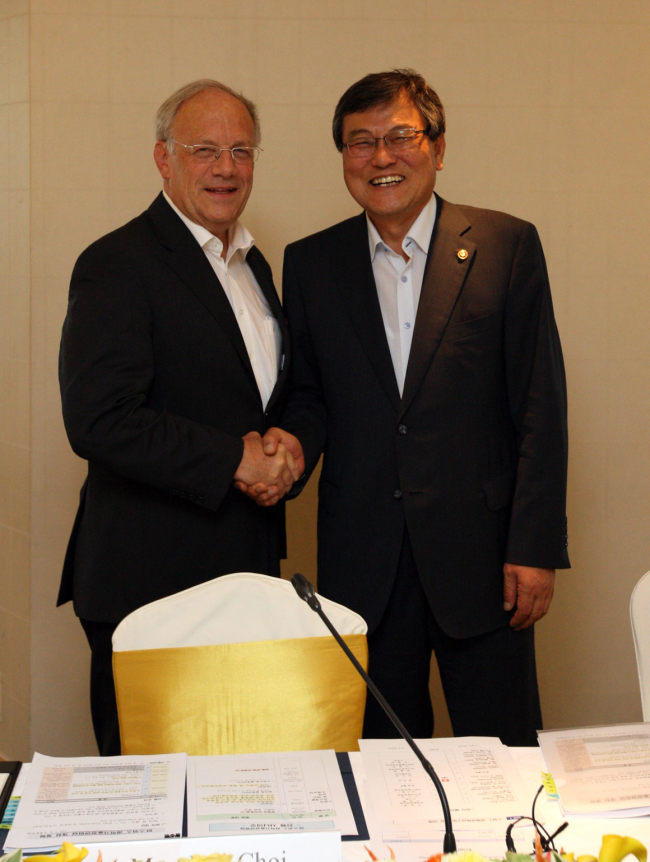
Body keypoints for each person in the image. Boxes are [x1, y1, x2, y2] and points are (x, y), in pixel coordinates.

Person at [257, 69, 569, 745]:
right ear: (343, 156)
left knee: (508, 756)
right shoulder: (311, 263)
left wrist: (534, 546)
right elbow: (309, 392)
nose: (381, 157)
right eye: (359, 142)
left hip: (484, 562)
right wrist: (290, 448)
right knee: (380, 764)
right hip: (363, 561)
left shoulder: (505, 246)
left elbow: (541, 404)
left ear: (438, 145)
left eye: (400, 136)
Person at [58, 79, 304, 755]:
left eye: (241, 151)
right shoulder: (116, 264)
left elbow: (261, 401)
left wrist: (288, 446)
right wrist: (235, 459)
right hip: (149, 584)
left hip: (244, 576)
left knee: (238, 792)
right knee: (152, 801)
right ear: (164, 159)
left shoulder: (253, 267)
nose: (226, 168)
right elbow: (99, 419)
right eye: (204, 150)